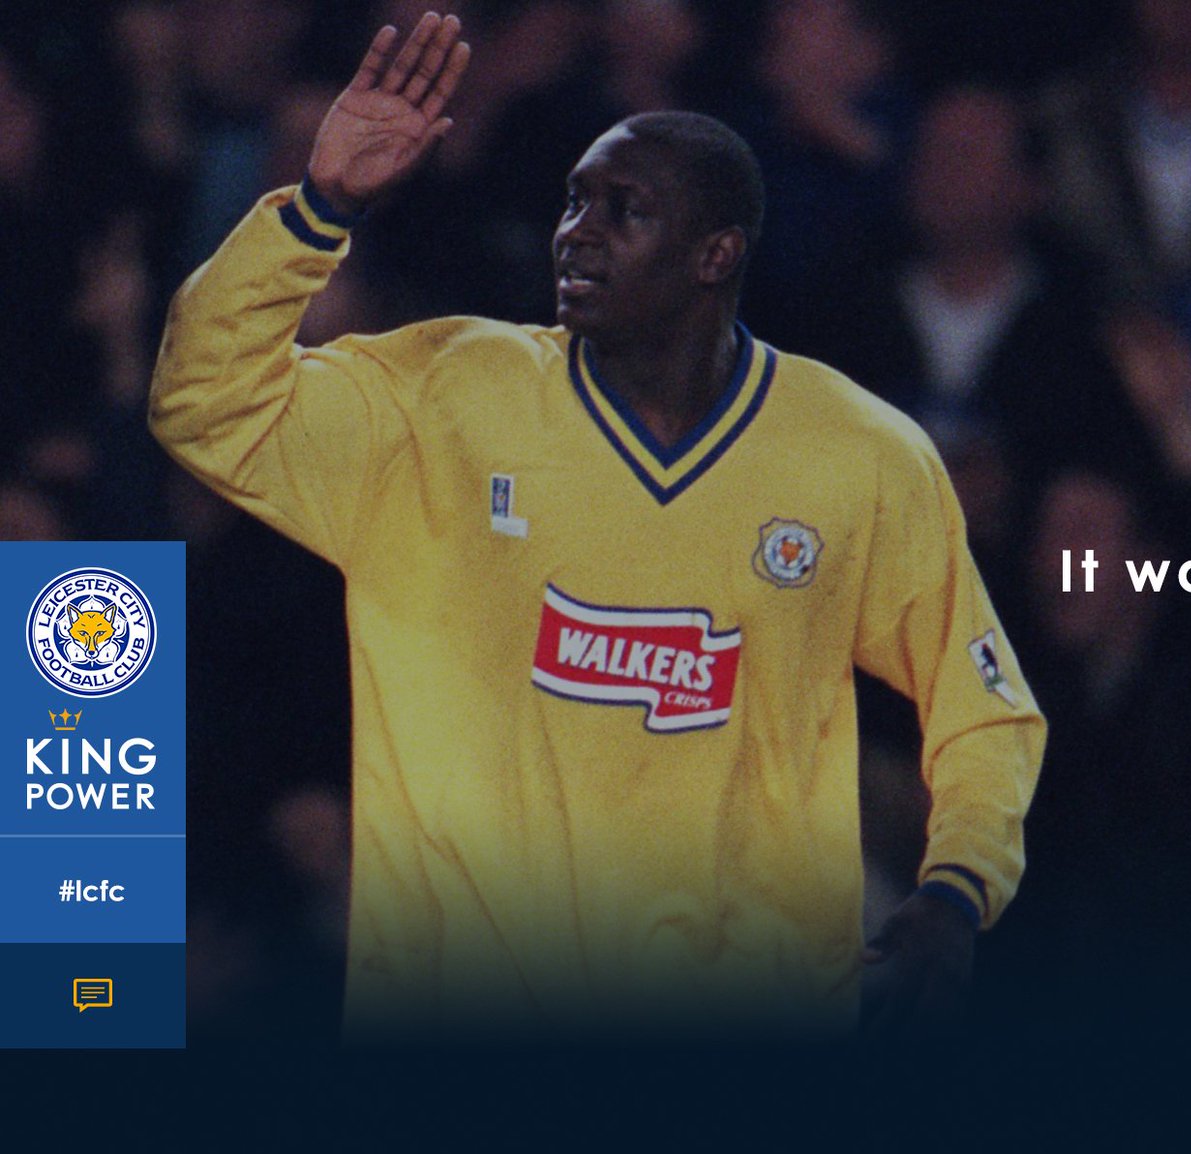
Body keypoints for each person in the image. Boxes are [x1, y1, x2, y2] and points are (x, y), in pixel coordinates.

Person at [149, 12, 1044, 1034]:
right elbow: (202, 403)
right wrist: (318, 210)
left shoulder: (858, 454)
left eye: (625, 211)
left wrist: (958, 882)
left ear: (715, 254)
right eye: (573, 203)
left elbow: (985, 708)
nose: (576, 231)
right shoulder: (444, 395)